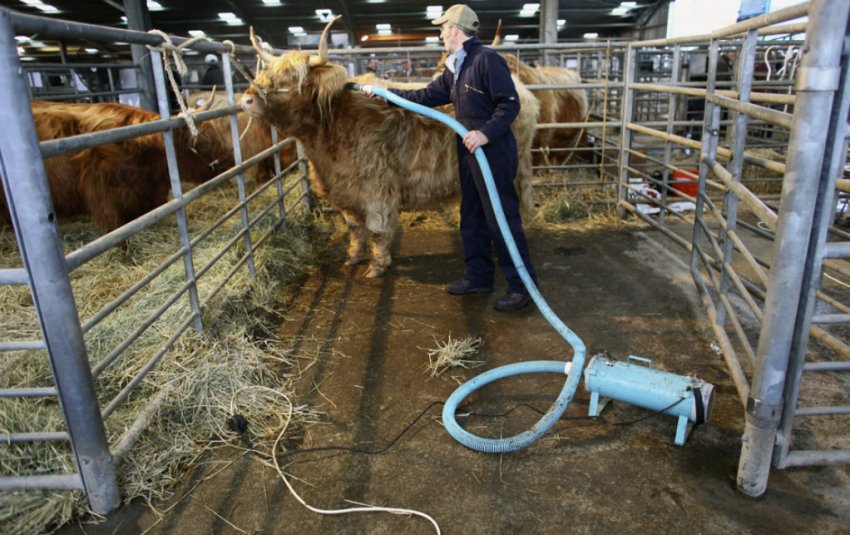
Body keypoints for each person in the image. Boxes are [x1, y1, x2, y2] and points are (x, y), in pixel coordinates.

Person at [364, 4, 537, 311]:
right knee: (471, 217)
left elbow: (509, 105)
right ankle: (479, 276)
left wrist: (485, 133)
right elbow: (427, 96)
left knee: (502, 220)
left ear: (456, 29)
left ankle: (521, 287)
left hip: (493, 152)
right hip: (470, 152)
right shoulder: (456, 66)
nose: (440, 33)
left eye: (442, 28)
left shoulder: (487, 61)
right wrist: (387, 95)